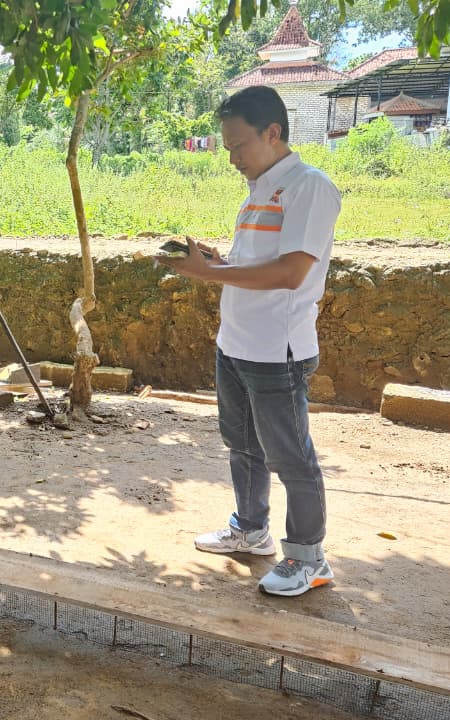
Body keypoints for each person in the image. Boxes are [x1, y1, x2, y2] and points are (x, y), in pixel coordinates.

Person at [157, 85, 341, 597]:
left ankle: (309, 558)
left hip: (276, 352)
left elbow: (291, 273)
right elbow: (254, 264)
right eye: (228, 147)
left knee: (290, 457)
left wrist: (209, 274)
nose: (232, 157)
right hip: (235, 344)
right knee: (242, 445)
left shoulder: (309, 187)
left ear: (273, 132)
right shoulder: (258, 191)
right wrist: (215, 262)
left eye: (238, 145)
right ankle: (251, 529)